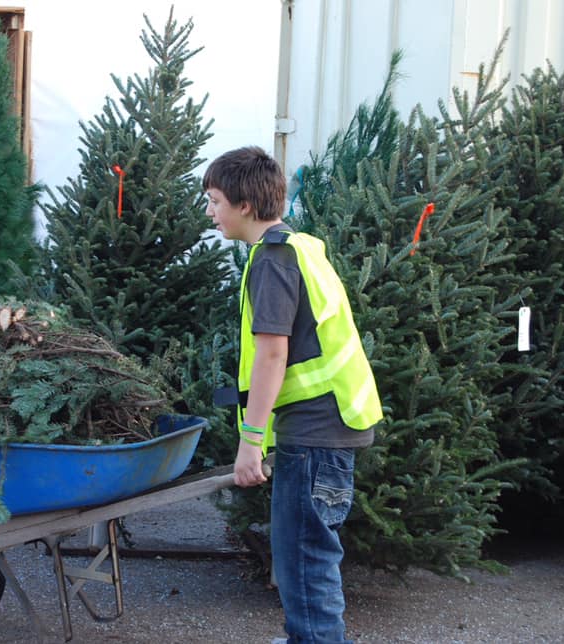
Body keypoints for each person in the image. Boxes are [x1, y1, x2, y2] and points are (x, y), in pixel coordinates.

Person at [202, 146, 383, 643]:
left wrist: (251, 440)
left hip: (316, 432)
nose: (211, 213)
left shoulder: (273, 260)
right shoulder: (301, 247)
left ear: (243, 204)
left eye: (215, 201)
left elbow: (272, 356)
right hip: (331, 425)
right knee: (305, 555)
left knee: (305, 559)